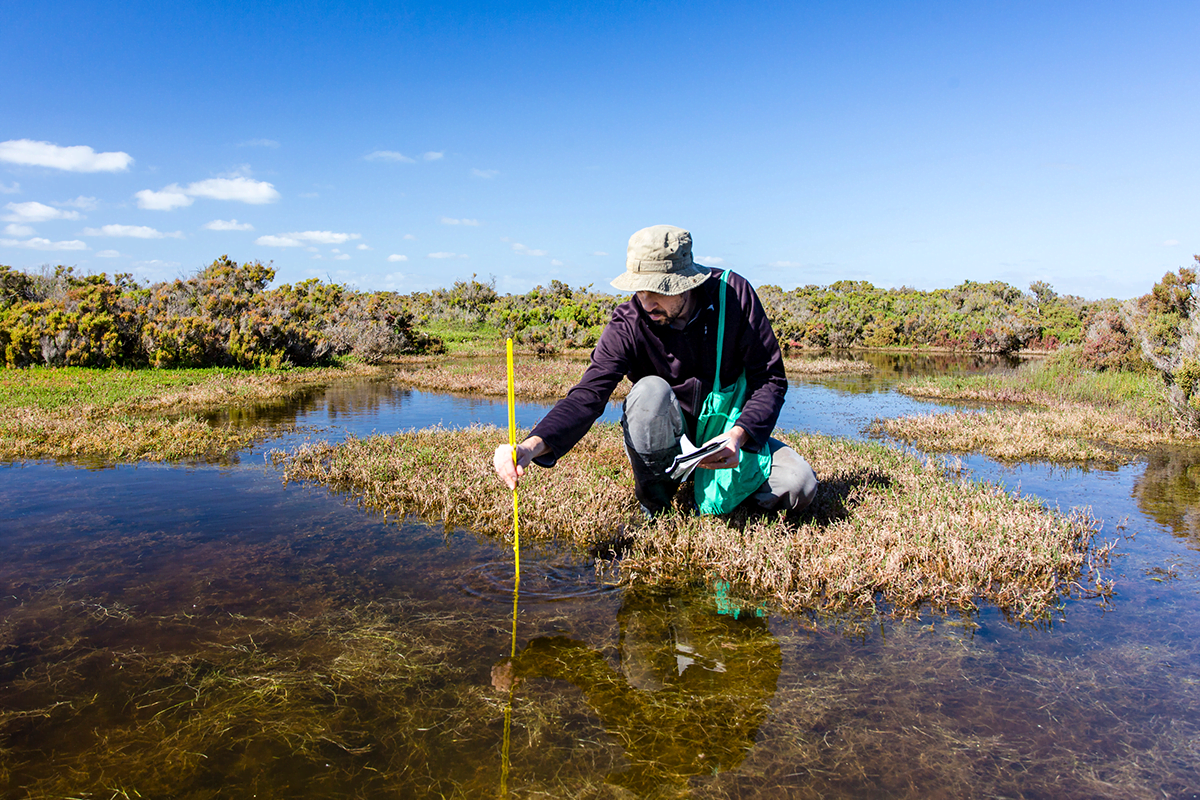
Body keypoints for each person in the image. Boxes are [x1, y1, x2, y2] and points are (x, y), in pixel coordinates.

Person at [493, 224, 817, 516]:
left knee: (798, 484)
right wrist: (529, 447)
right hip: (665, 437)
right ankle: (656, 504)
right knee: (649, 392)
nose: (646, 302)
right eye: (639, 289)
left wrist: (738, 435)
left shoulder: (734, 297)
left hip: (725, 435)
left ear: (686, 282)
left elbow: (769, 379)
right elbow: (587, 397)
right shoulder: (628, 323)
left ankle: (717, 490)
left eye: (656, 290)